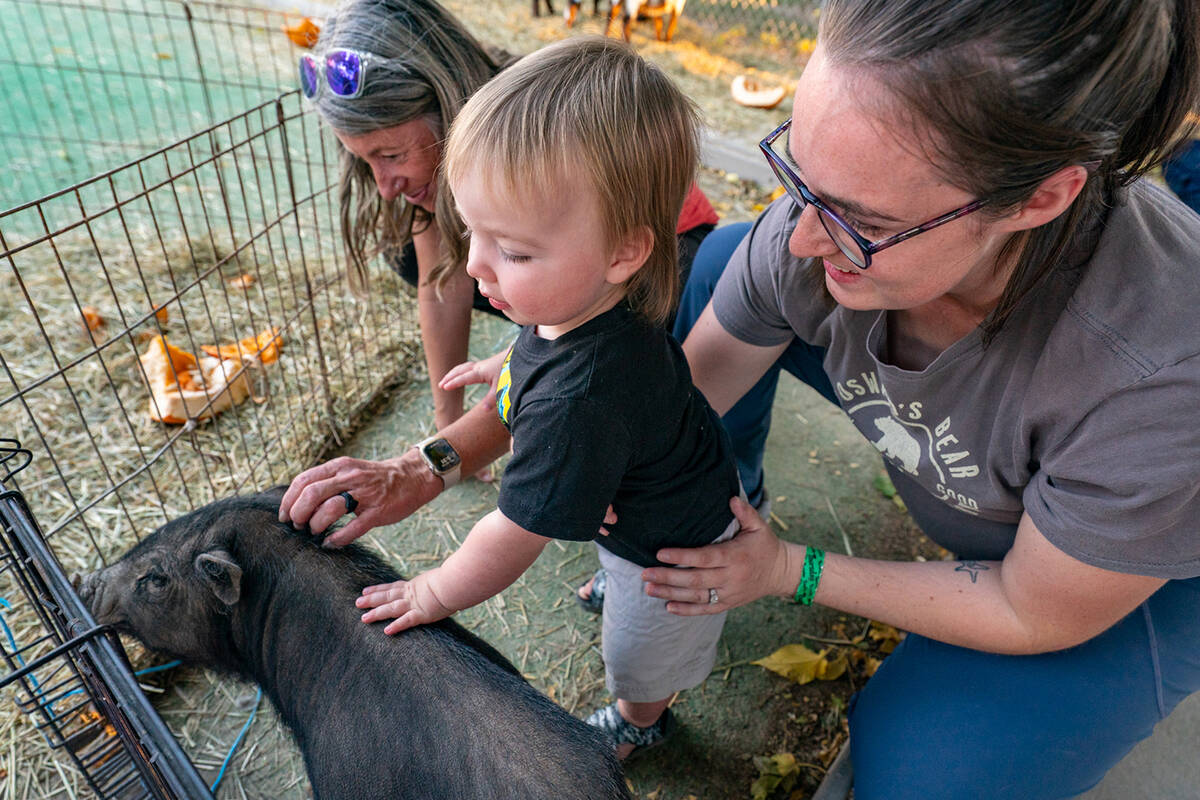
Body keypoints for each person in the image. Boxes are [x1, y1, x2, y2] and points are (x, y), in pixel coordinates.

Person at [633, 1, 1200, 798]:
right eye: (798, 172)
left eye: (861, 220)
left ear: (1039, 199)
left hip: (1127, 573)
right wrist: (582, 391)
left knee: (923, 774)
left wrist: (789, 570)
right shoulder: (825, 225)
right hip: (1024, 481)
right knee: (726, 257)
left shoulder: (1162, 370)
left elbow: (1034, 610)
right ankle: (739, 487)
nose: (799, 236)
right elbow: (695, 382)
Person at [346, 36, 743, 760]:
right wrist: (508, 365)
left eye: (514, 251)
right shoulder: (585, 305)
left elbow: (512, 535)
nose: (475, 266)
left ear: (625, 250)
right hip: (668, 483)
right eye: (473, 234)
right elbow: (554, 358)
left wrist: (431, 593)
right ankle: (617, 582)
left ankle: (640, 719)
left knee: (639, 652)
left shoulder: (576, 403)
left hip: (672, 553)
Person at [302, 0, 718, 476]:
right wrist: (446, 424)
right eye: (364, 160)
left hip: (674, 252)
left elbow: (562, 362)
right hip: (584, 255)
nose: (383, 184)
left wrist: (456, 449)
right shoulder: (468, 146)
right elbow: (442, 284)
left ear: (443, 100)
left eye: (392, 154)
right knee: (415, 254)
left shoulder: (522, 138)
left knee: (592, 382)